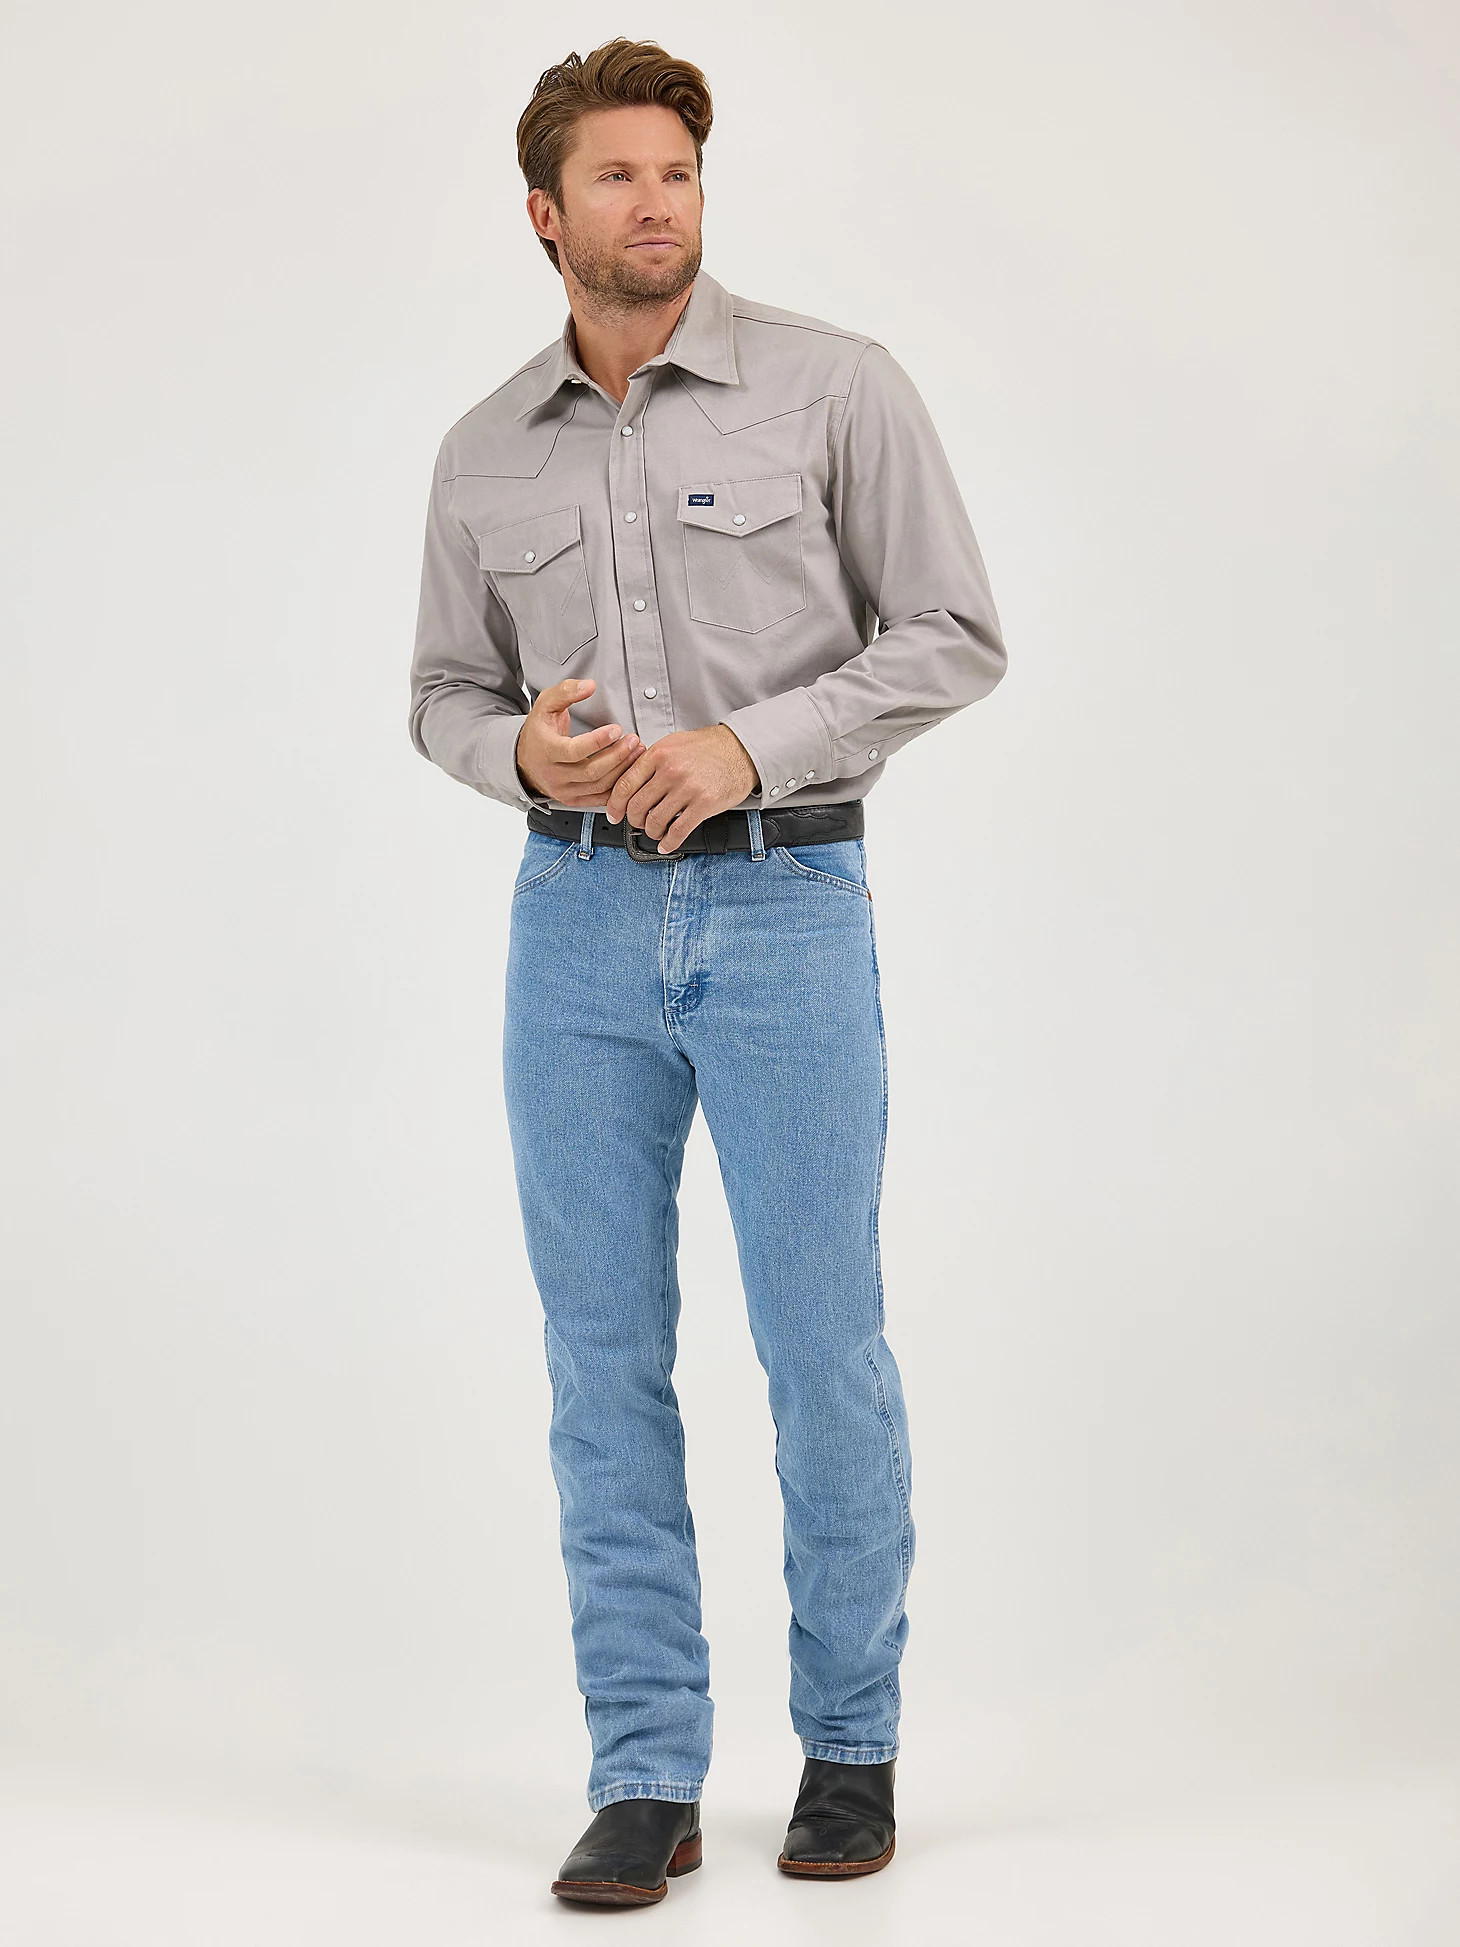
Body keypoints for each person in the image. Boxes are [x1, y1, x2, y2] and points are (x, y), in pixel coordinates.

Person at [407, 36, 1007, 1908]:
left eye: (676, 171)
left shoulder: (837, 387)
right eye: (616, 175)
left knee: (822, 1351)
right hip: (572, 925)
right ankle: (645, 1770)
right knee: (602, 1362)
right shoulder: (482, 449)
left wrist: (752, 745)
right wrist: (525, 753)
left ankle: (851, 1747)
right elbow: (442, 695)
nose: (655, 202)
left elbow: (954, 632)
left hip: (785, 906)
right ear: (545, 213)